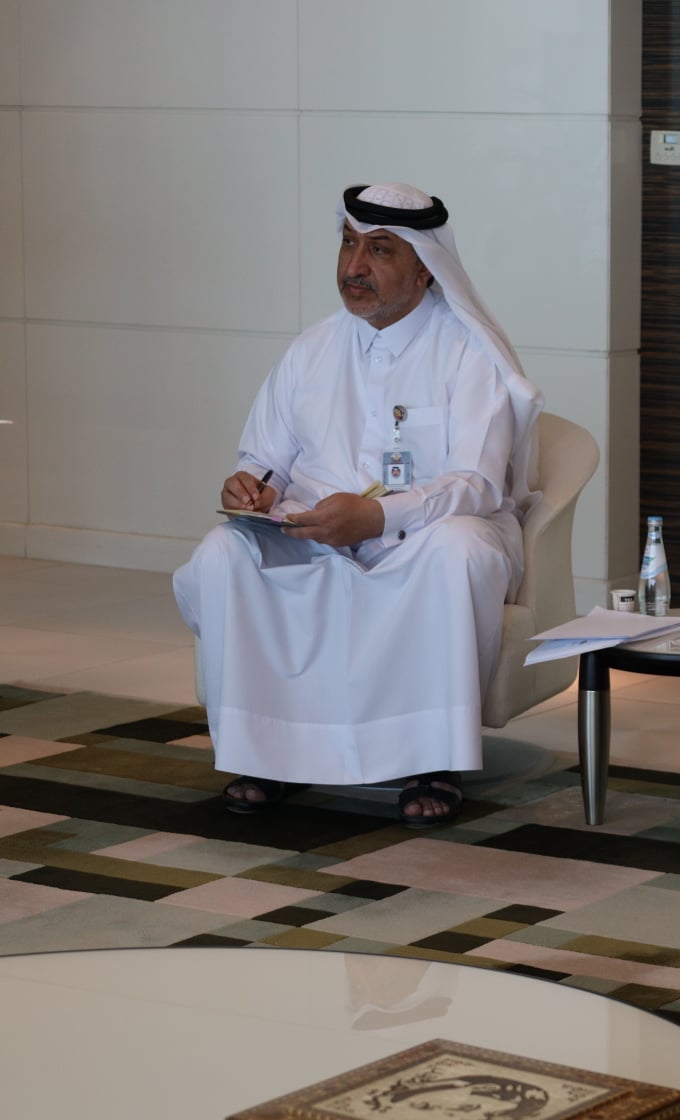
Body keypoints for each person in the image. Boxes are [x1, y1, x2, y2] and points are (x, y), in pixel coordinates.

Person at [174, 182, 543, 828]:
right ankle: (267, 753)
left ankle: (431, 760)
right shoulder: (312, 348)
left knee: (458, 550)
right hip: (313, 534)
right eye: (348, 245)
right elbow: (264, 455)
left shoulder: (466, 351)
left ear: (425, 268)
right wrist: (251, 486)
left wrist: (379, 517)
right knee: (222, 552)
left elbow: (479, 483)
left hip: (423, 539)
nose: (354, 267)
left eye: (379, 250)